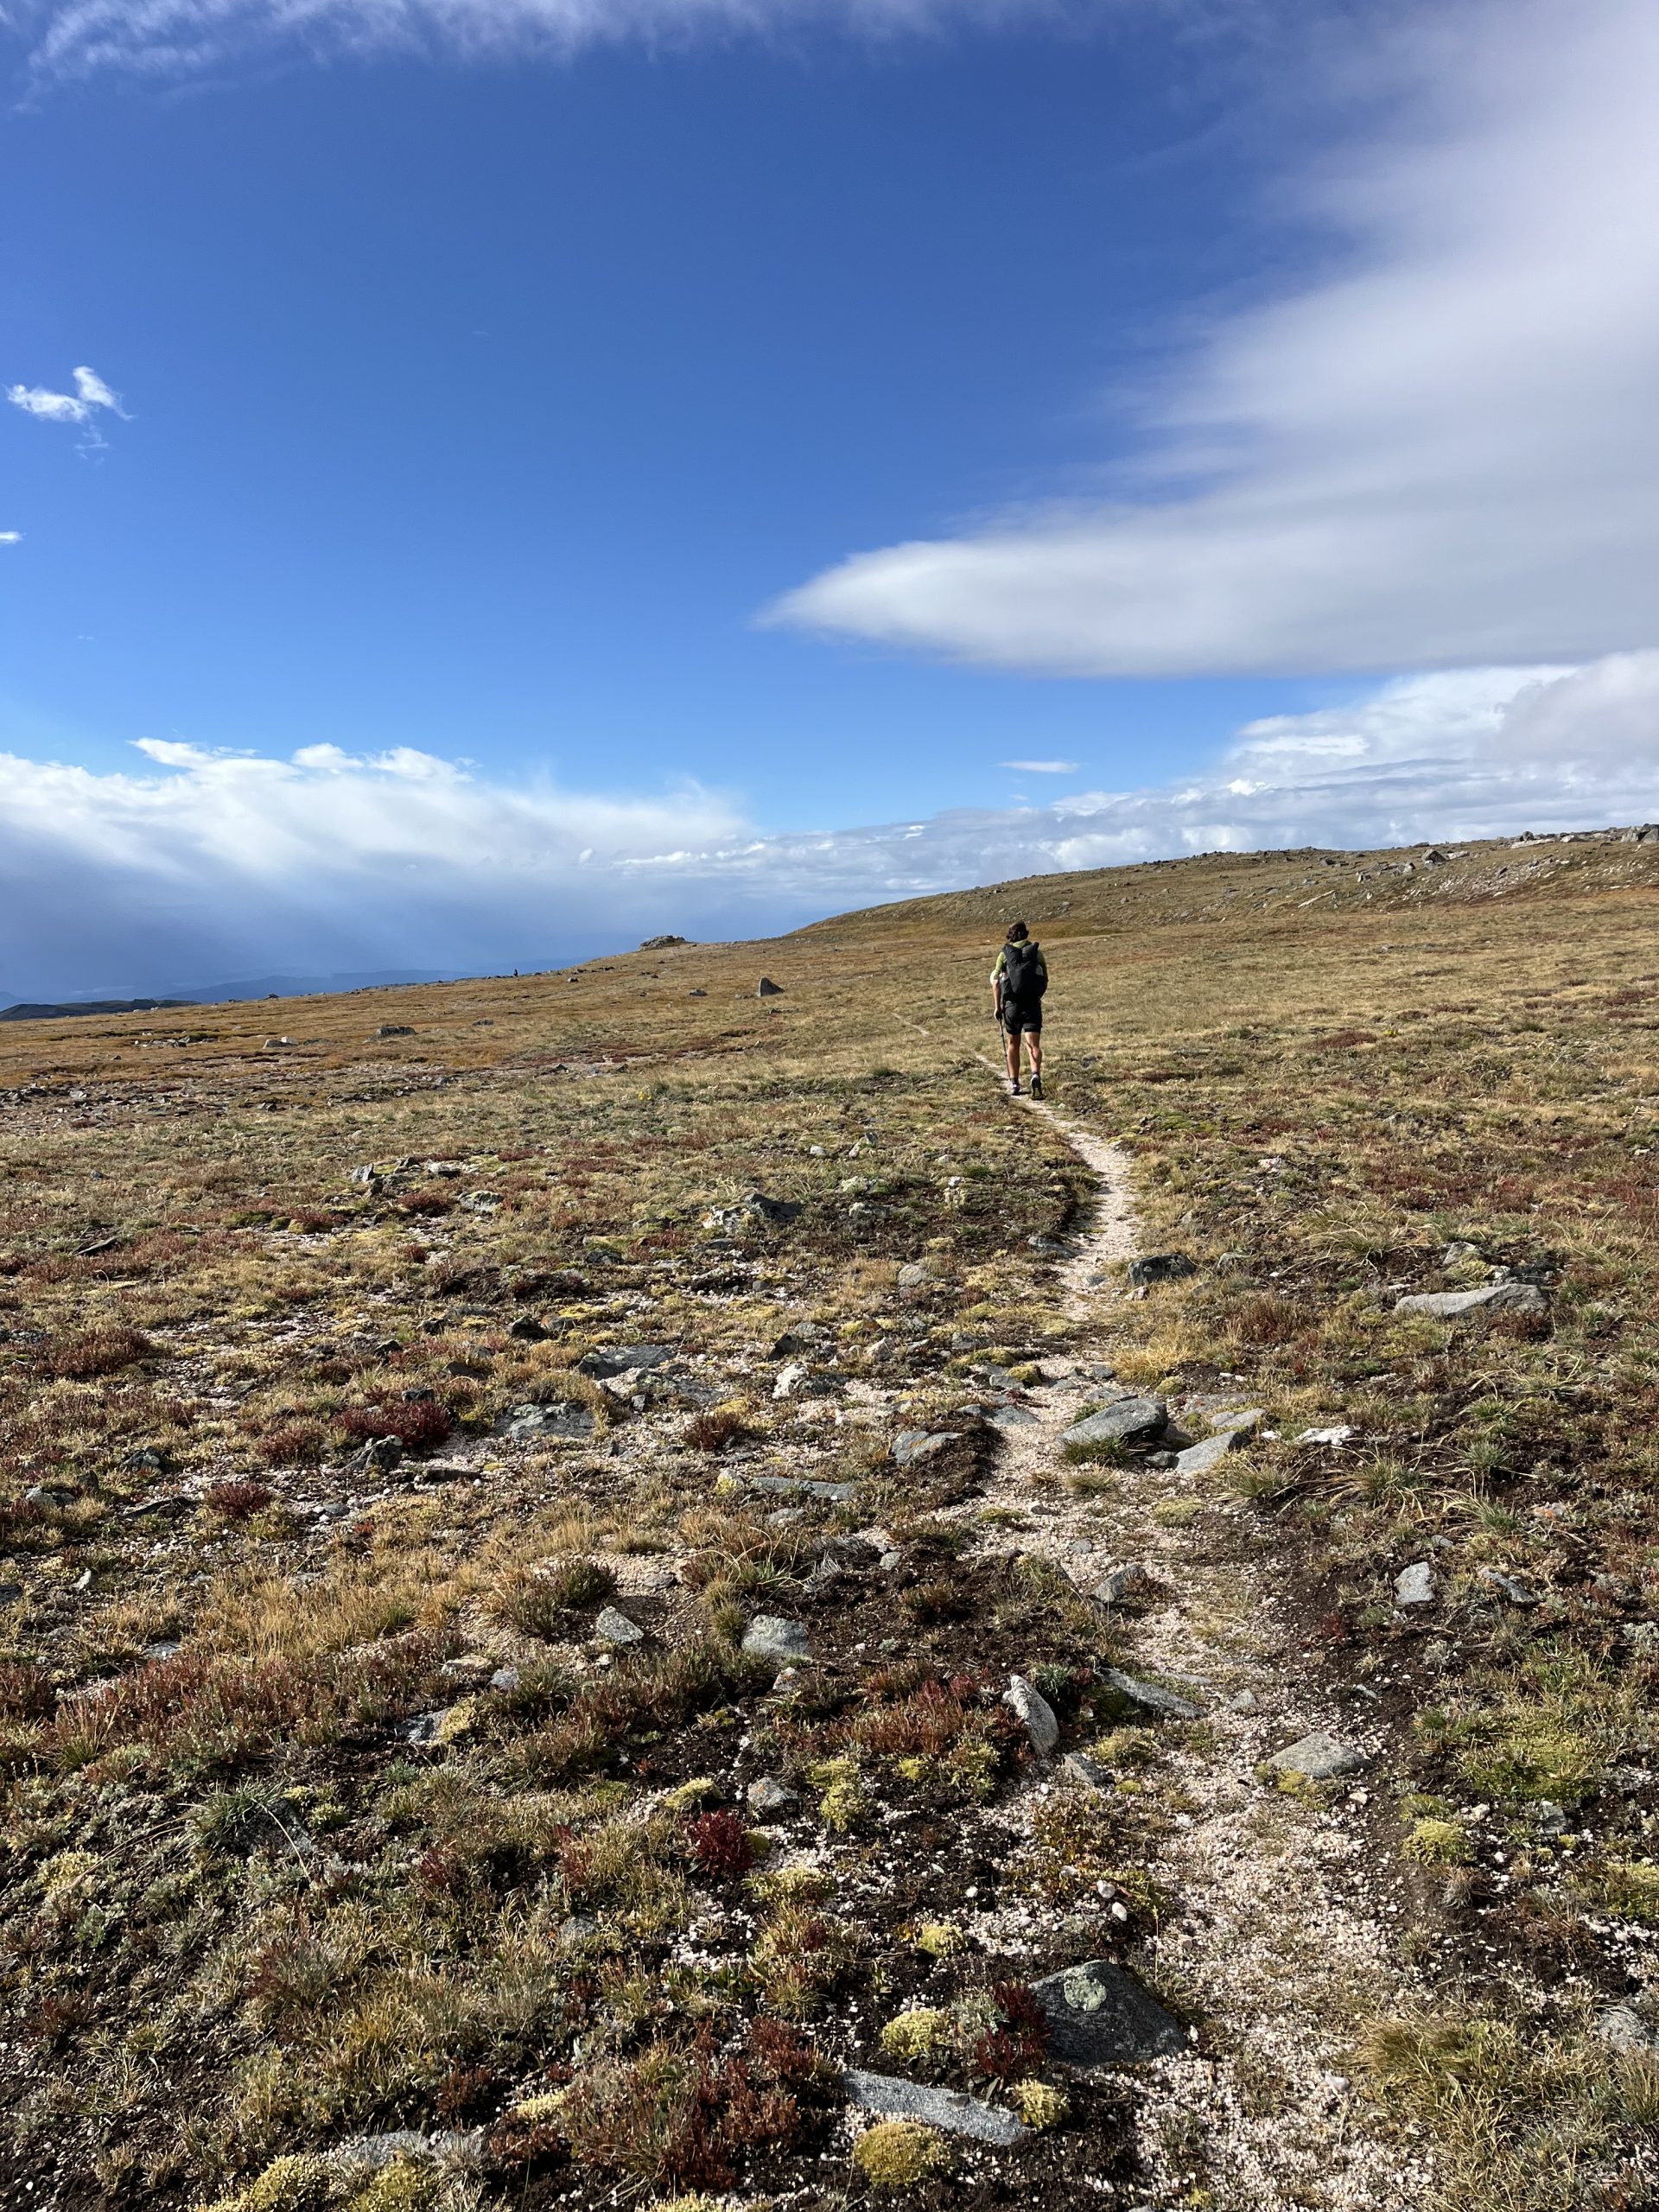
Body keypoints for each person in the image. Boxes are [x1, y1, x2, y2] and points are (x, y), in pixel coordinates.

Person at [991, 919, 1047, 1097]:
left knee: (1013, 1044)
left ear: (1010, 936)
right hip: (1032, 1004)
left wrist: (997, 1007)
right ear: (1026, 934)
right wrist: (1037, 997)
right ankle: (1035, 1074)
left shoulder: (1004, 955)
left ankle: (1014, 1083)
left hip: (1012, 1006)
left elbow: (996, 982)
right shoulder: (1036, 952)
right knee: (1034, 1044)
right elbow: (1044, 978)